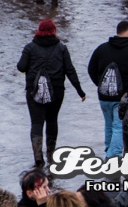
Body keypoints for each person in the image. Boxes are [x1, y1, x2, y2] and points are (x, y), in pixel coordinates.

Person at [16, 19, 86, 167]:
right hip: (57, 90)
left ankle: (38, 157)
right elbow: (70, 70)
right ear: (54, 31)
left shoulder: (30, 47)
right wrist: (80, 91)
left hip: (34, 91)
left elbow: (21, 67)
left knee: (36, 122)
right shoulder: (61, 48)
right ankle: (51, 155)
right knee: (52, 120)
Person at [87, 20, 128, 158]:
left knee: (109, 125)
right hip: (125, 98)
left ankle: (108, 150)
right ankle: (112, 158)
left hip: (104, 97)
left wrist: (101, 85)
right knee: (118, 127)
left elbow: (91, 69)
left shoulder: (101, 49)